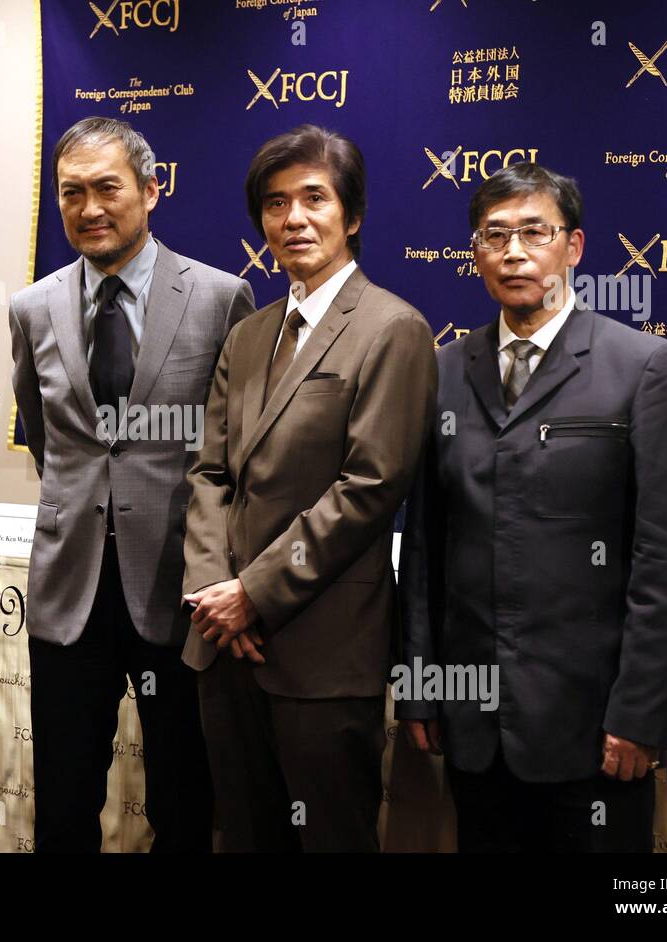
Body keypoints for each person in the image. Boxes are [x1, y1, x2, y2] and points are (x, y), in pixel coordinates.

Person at [398, 163, 667, 853]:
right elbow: (424, 546)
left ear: (573, 247)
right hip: (474, 722)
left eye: (534, 232)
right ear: (474, 253)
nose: (514, 252)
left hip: (593, 728)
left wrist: (640, 714)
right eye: (494, 235)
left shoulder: (642, 367)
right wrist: (421, 685)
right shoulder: (443, 371)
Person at [181, 125, 436, 852]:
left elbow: (369, 487)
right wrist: (211, 591)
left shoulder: (393, 329)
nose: (292, 219)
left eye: (313, 199)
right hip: (222, 643)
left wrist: (253, 593)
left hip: (322, 649)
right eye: (275, 203)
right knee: (244, 834)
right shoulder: (250, 333)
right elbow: (210, 473)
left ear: (351, 215)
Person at [9, 117, 254, 852]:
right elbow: (48, 434)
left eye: (107, 188)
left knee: (183, 797)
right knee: (62, 799)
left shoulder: (219, 297)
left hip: (180, 585)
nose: (89, 209)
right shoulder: (32, 306)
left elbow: (235, 448)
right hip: (68, 586)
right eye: (71, 193)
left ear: (151, 190)